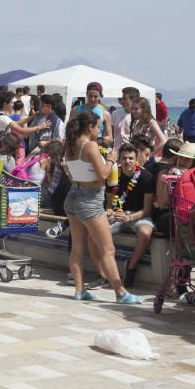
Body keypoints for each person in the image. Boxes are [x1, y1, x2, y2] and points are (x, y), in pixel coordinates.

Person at [63, 110, 141, 304]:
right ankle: (121, 293)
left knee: (78, 247)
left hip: (73, 196)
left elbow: (71, 175)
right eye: (98, 127)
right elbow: (104, 174)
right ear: (90, 127)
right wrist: (112, 159)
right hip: (90, 202)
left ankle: (80, 290)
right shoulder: (89, 145)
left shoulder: (70, 144)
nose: (99, 131)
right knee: (108, 249)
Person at [109, 143, 156, 289]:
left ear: (137, 160)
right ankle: (105, 271)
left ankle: (131, 267)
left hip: (138, 215)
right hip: (118, 213)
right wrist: (110, 211)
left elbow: (147, 210)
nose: (127, 161)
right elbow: (109, 203)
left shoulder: (146, 176)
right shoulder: (114, 174)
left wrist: (129, 218)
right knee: (99, 232)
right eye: (124, 158)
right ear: (119, 160)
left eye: (131, 158)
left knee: (145, 233)